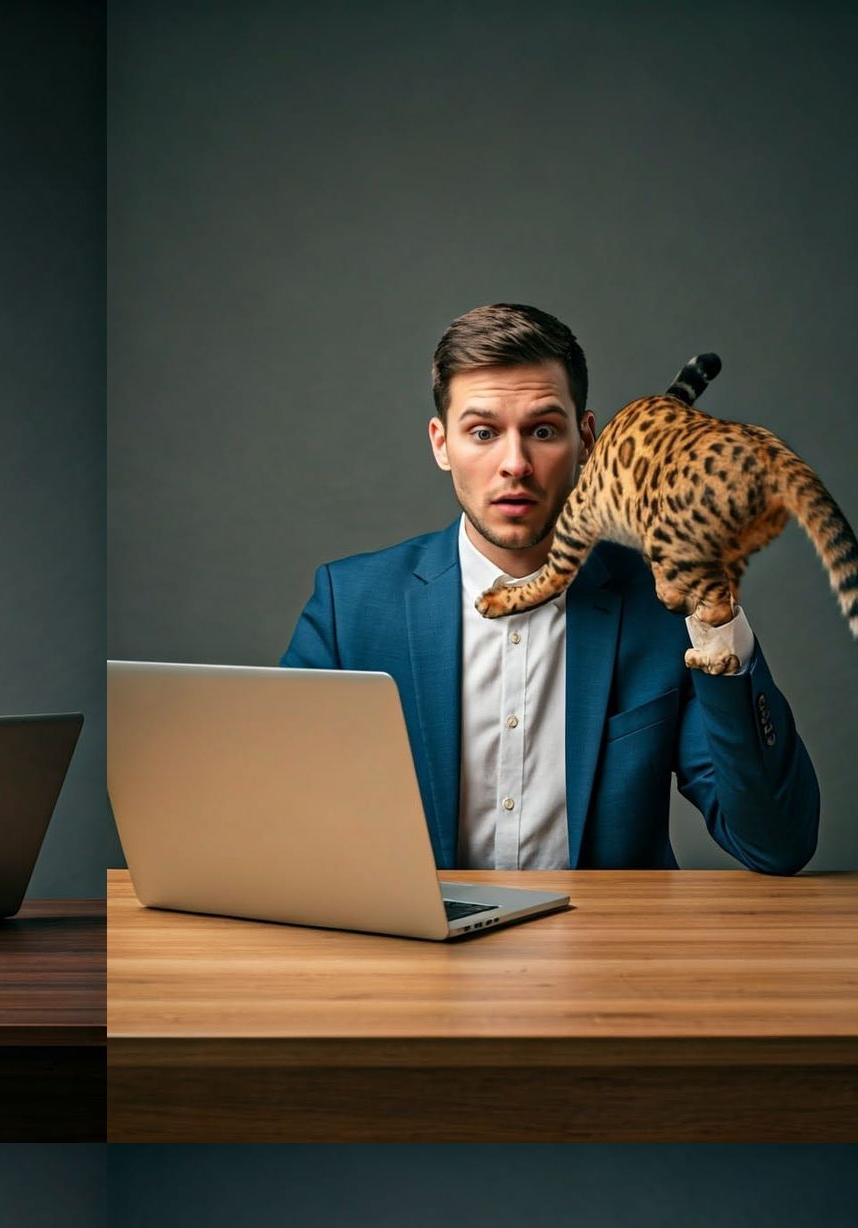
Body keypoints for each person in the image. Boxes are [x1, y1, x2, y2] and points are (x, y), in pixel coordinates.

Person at [282, 304, 819, 874]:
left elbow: (776, 844)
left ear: (586, 439)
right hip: (419, 956)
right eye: (483, 432)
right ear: (441, 444)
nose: (515, 464)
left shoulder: (662, 608)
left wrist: (716, 625)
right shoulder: (351, 605)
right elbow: (275, 813)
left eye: (542, 431)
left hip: (610, 955)